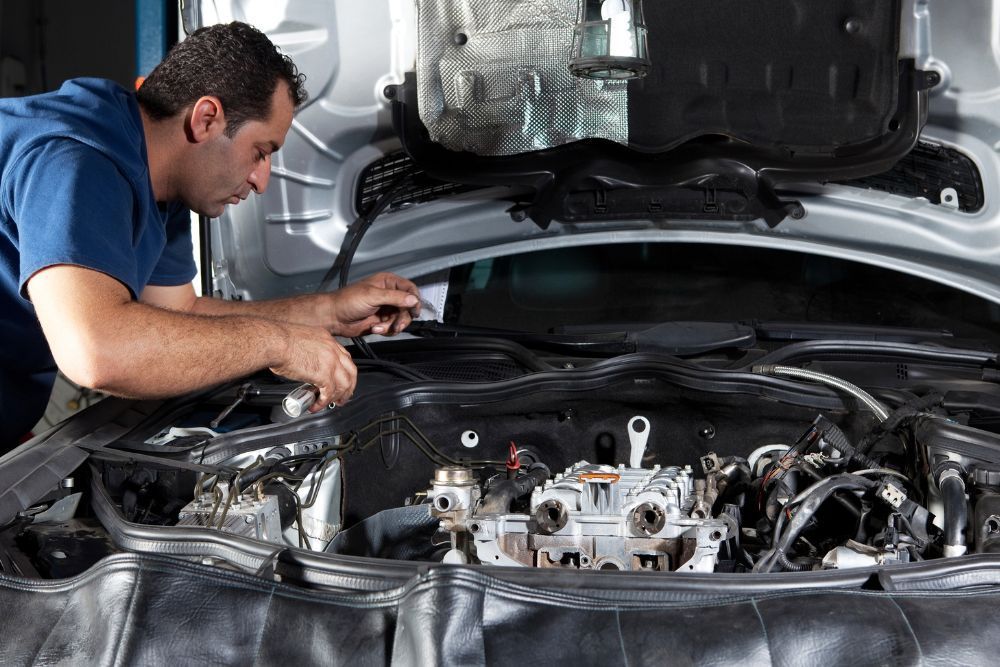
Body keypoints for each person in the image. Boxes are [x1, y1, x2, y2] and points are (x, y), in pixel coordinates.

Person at [0, 22, 421, 447]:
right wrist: (278, 344)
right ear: (206, 119)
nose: (261, 180)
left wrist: (329, 313)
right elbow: (97, 351)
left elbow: (179, 314)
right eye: (260, 152)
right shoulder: (77, 159)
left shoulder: (159, 179)